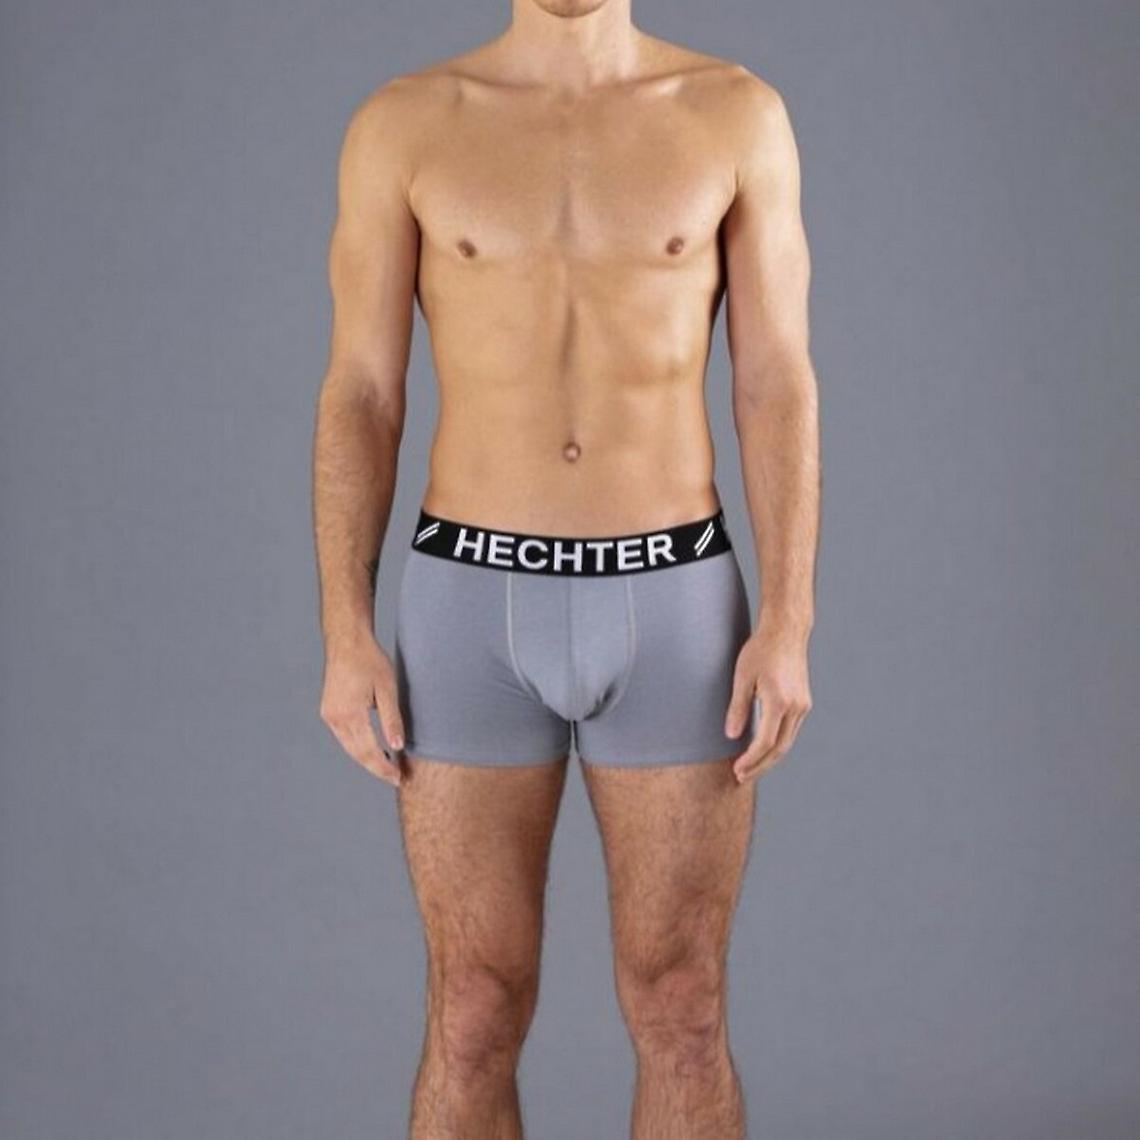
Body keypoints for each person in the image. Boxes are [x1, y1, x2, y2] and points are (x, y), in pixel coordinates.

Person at [312, 1, 819, 1135]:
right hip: (469, 603)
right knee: (473, 1010)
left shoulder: (734, 114)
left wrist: (789, 619)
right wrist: (346, 629)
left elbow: (775, 377)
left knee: (682, 1006)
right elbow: (363, 390)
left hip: (676, 599)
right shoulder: (407, 123)